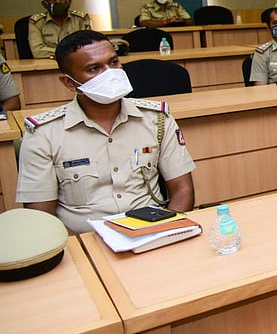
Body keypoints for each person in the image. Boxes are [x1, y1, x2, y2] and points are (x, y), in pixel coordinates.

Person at [16, 30, 196, 234]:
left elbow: (183, 191)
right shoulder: (43, 134)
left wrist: (164, 234)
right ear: (69, 83)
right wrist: (87, 247)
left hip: (153, 233)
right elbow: (42, 218)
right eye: (94, 68)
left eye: (113, 62)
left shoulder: (156, 118)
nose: (110, 73)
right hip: (84, 241)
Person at [28, 0, 92, 59]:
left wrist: (57, 53)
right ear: (44, 4)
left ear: (69, 1)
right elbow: (37, 52)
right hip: (48, 64)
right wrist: (69, 52)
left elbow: (87, 47)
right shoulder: (37, 22)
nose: (57, 1)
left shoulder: (81, 19)